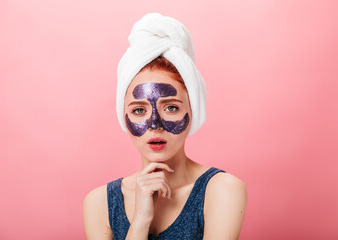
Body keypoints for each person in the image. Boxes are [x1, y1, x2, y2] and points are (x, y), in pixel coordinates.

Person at [83, 13, 247, 240]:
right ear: (125, 117)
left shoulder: (222, 190)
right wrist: (140, 220)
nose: (154, 125)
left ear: (192, 111)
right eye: (139, 110)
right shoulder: (100, 203)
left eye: (170, 108)